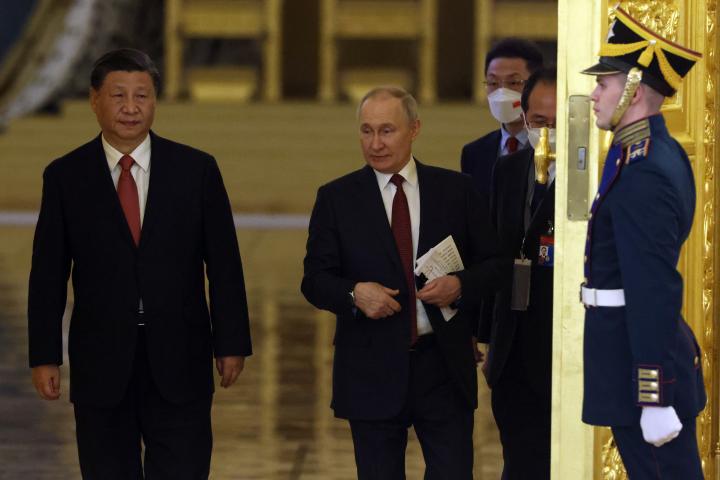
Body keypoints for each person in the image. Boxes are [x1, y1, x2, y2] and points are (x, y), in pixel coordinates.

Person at [28, 48, 252, 479]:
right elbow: (48, 275)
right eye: (118, 96)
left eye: (142, 96)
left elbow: (225, 265)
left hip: (180, 358)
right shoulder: (65, 176)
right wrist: (44, 355)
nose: (131, 107)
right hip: (101, 363)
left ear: (155, 101)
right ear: (94, 100)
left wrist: (231, 343)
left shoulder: (196, 170)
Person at [301, 86, 507, 479]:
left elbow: (496, 265)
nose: (375, 143)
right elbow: (314, 280)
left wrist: (460, 285)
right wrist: (354, 293)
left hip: (443, 366)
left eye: (386, 131)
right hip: (371, 368)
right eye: (366, 131)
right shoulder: (336, 198)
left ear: (414, 129)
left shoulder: (456, 191)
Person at [579, 7, 705, 477]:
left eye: (603, 84)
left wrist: (654, 395)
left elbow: (653, 288)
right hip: (628, 360)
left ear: (633, 88)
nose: (594, 95)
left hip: (644, 373)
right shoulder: (642, 152)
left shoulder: (645, 169)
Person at [482, 67, 557, 479]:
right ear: (524, 118)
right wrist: (486, 339)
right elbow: (495, 254)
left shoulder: (591, 173)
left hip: (560, 346)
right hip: (512, 346)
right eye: (539, 121)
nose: (548, 132)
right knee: (518, 461)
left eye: (557, 122)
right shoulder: (509, 169)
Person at [460, 38, 544, 200]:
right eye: (493, 83)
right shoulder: (474, 153)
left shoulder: (552, 145)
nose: (502, 91)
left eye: (514, 82)